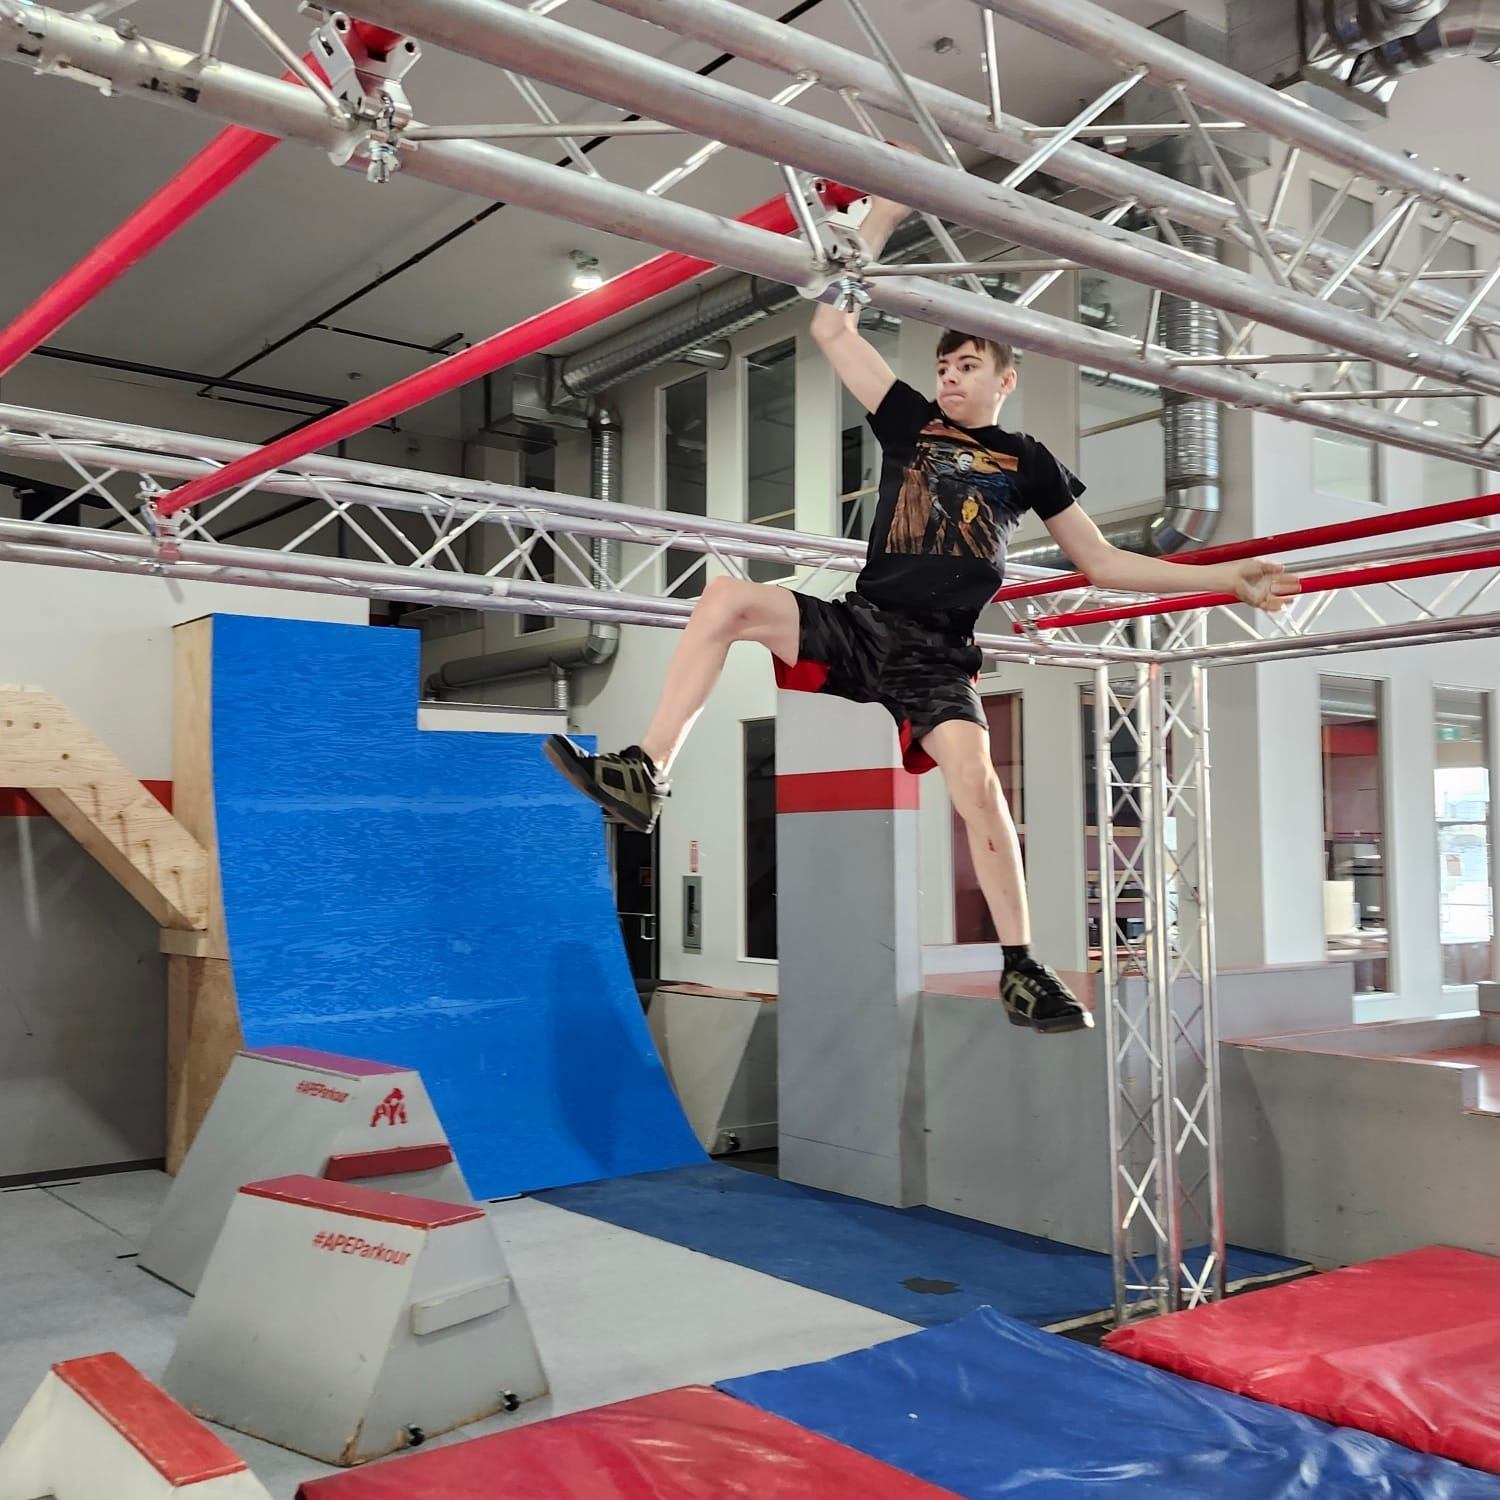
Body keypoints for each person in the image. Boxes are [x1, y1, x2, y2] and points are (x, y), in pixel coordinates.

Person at [546, 186, 1298, 1035]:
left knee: (979, 789)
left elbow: (1101, 561)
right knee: (724, 597)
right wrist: (881, 218)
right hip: (865, 620)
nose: (948, 377)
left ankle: (1021, 968)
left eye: (966, 366)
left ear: (1005, 381)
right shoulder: (910, 423)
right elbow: (833, 329)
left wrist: (1227, 580)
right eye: (943, 366)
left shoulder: (1028, 459)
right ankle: (648, 768)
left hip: (939, 654)